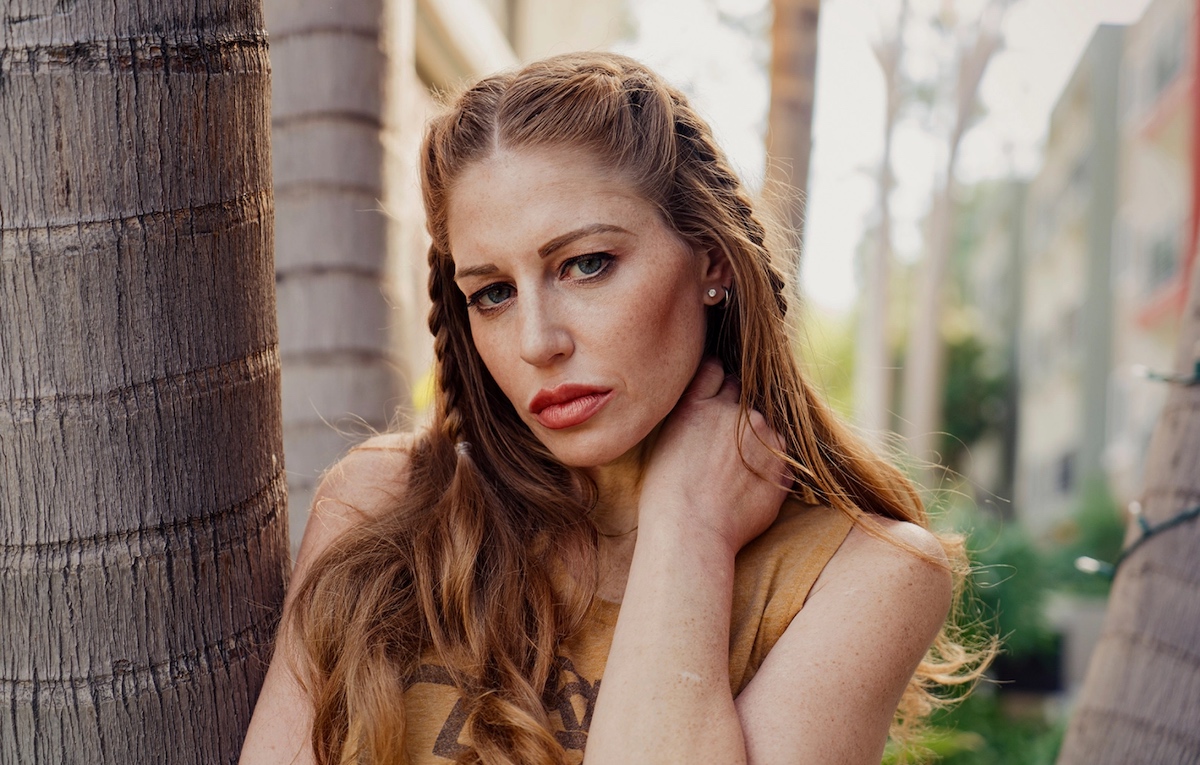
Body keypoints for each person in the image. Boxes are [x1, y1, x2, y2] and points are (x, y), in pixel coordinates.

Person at [241, 52, 984, 765]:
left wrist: (688, 529)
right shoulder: (381, 509)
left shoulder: (860, 574)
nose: (538, 342)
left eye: (587, 264)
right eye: (493, 293)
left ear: (712, 261)